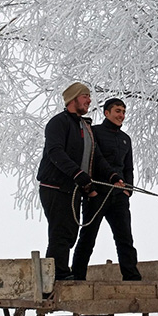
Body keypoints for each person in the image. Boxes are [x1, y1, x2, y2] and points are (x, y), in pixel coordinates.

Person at [37, 82, 111, 281]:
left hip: (74, 188)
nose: (89, 100)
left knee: (70, 231)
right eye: (85, 96)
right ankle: (57, 275)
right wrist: (77, 174)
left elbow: (95, 158)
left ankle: (60, 271)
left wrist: (112, 176)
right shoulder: (58, 123)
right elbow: (55, 152)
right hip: (55, 185)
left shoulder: (84, 126)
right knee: (60, 231)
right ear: (73, 99)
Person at [70, 97, 142, 281]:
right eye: (118, 111)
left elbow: (128, 168)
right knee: (88, 236)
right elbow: (95, 159)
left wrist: (128, 190)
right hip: (97, 193)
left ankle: (131, 276)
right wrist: (91, 189)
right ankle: (77, 276)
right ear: (107, 112)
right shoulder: (94, 133)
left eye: (124, 112)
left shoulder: (126, 139)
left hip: (119, 196)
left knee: (125, 238)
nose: (122, 115)